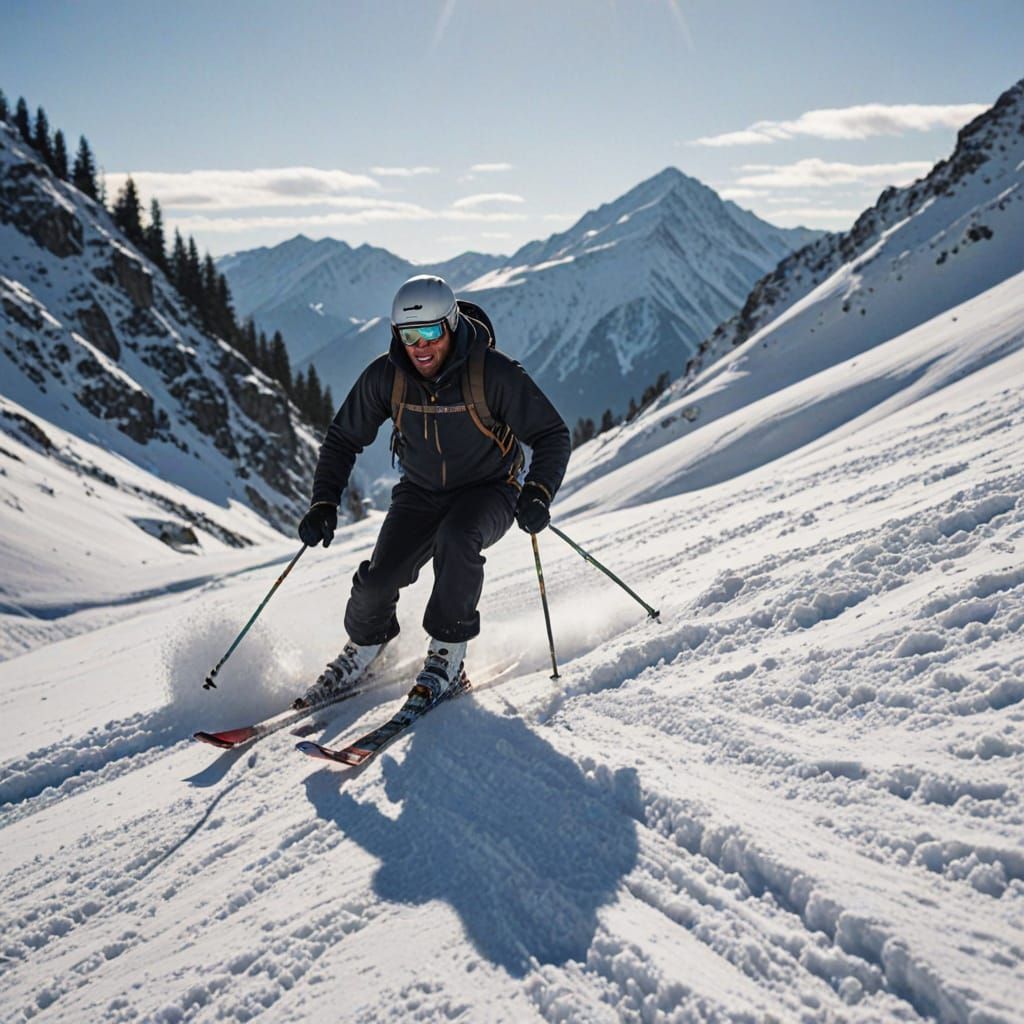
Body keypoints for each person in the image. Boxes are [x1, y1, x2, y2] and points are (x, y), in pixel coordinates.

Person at [294, 274, 571, 707]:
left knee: (458, 539)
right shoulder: (387, 377)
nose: (420, 346)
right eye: (408, 334)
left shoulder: (493, 373)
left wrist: (538, 490)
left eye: (429, 332)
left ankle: (448, 656)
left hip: (490, 489)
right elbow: (343, 437)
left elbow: (552, 434)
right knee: (377, 582)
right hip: (420, 493)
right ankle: (367, 647)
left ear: (452, 324)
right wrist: (324, 500)